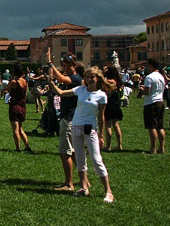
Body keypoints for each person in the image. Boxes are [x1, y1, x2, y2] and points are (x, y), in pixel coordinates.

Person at [49, 66, 115, 203]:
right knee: (80, 159)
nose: (90, 79)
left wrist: (101, 135)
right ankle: (84, 188)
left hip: (90, 129)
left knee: (96, 159)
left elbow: (101, 117)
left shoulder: (102, 95)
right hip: (76, 127)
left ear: (97, 79)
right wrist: (51, 83)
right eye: (88, 77)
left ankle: (108, 191)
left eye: (92, 77)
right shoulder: (80, 90)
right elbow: (61, 93)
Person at [48, 49, 82, 192]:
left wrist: (51, 64)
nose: (66, 68)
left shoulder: (75, 79)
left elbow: (61, 79)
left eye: (68, 66)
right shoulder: (74, 77)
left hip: (69, 118)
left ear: (74, 65)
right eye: (64, 66)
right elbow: (59, 78)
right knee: (73, 152)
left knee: (65, 152)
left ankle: (69, 184)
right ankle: (83, 179)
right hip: (71, 117)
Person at [140, 58, 167, 154]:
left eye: (147, 65)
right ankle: (162, 148)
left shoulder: (149, 77)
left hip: (151, 102)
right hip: (160, 101)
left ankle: (153, 148)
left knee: (151, 126)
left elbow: (147, 91)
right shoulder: (161, 76)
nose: (147, 67)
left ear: (151, 66)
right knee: (160, 126)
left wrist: (142, 90)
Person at [5, 62, 32, 152]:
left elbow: (5, 89)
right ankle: (27, 146)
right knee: (20, 128)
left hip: (14, 105)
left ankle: (18, 148)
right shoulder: (25, 81)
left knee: (15, 129)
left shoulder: (14, 82)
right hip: (22, 105)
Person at [102, 67, 124, 151]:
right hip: (115, 104)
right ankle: (119, 145)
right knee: (116, 125)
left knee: (108, 125)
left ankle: (108, 146)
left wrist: (103, 74)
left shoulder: (109, 81)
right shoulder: (117, 81)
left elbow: (101, 82)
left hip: (108, 104)